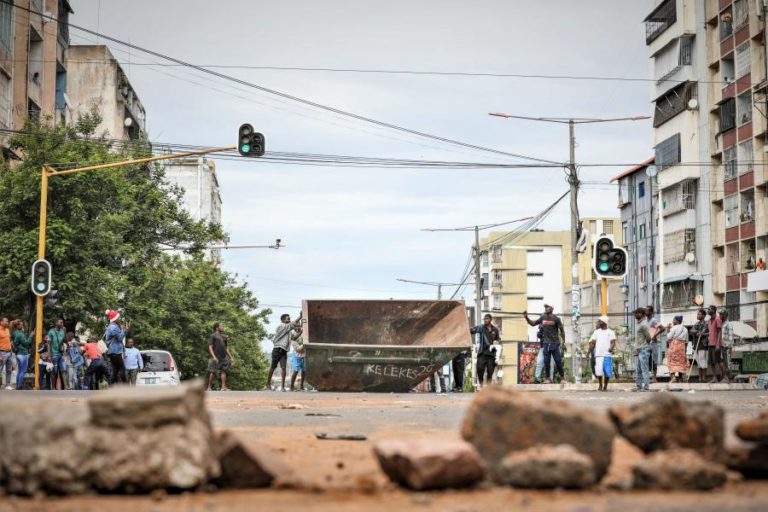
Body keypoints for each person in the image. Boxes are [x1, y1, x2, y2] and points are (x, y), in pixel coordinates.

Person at [523, 305, 566, 384]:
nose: (546, 308)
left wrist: (564, 342)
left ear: (552, 309)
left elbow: (562, 331)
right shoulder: (543, 317)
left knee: (558, 361)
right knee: (546, 362)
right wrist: (526, 317)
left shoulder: (556, 319)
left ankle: (562, 378)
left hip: (555, 343)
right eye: (545, 307)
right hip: (545, 344)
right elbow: (533, 323)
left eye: (548, 307)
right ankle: (548, 378)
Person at [266, 315, 300, 392]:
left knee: (283, 367)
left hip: (284, 351)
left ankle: (282, 387)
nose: (289, 320)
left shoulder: (288, 330)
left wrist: (301, 332)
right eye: (288, 319)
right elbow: (291, 325)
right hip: (277, 349)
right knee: (273, 367)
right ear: (283, 320)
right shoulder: (281, 326)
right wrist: (300, 316)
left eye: (289, 319)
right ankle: (268, 384)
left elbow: (294, 337)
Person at [469, 314, 500, 390]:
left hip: (491, 354)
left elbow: (498, 339)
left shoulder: (495, 330)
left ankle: (489, 387)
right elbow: (473, 330)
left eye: (487, 319)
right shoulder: (481, 327)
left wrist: (497, 341)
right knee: (479, 368)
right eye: (484, 319)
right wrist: (469, 328)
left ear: (490, 319)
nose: (485, 320)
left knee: (490, 371)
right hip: (482, 353)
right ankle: (481, 384)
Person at [589, 315, 616, 392]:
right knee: (599, 371)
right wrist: (589, 353)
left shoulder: (611, 332)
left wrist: (611, 348)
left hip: (607, 355)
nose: (598, 322)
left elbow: (613, 342)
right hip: (598, 355)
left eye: (600, 321)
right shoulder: (596, 332)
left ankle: (605, 387)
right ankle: (600, 385)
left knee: (607, 372)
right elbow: (593, 342)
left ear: (604, 322)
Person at [208, 322, 235, 391]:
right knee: (213, 372)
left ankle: (223, 387)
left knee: (224, 371)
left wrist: (231, 357)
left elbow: (226, 348)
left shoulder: (224, 337)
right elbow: (210, 347)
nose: (223, 327)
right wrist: (214, 357)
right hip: (215, 356)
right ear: (217, 328)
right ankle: (209, 387)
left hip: (223, 357)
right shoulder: (213, 336)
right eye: (221, 326)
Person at [104, 310, 127, 385]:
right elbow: (120, 338)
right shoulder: (113, 327)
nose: (119, 319)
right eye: (118, 318)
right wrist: (124, 330)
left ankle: (111, 386)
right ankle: (126, 387)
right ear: (115, 319)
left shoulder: (112, 326)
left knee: (115, 370)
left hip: (112, 351)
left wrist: (121, 328)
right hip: (115, 351)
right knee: (122, 368)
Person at [645, 306, 665, 384]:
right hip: (647, 343)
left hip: (653, 343)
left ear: (651, 312)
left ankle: (654, 378)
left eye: (647, 311)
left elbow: (662, 328)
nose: (645, 312)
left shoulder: (653, 320)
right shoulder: (646, 320)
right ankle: (649, 377)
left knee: (654, 360)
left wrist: (654, 335)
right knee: (648, 360)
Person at [10, 320, 33, 390]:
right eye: (21, 325)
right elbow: (26, 343)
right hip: (23, 354)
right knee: (23, 371)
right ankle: (19, 385)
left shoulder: (14, 333)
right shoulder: (20, 334)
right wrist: (31, 336)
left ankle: (18, 385)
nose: (22, 326)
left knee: (20, 370)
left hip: (18, 354)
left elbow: (14, 342)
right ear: (17, 326)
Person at [633, 308, 652, 392]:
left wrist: (645, 346)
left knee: (644, 369)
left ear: (642, 314)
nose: (635, 315)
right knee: (639, 370)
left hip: (643, 349)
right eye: (635, 313)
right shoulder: (639, 323)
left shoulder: (644, 324)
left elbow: (648, 337)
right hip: (639, 349)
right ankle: (639, 386)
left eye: (638, 313)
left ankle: (646, 387)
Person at [666, 315, 689, 383]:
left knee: (671, 362)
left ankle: (673, 377)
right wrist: (685, 349)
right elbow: (686, 341)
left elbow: (669, 337)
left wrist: (668, 330)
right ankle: (680, 379)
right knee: (681, 363)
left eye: (674, 320)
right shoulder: (685, 329)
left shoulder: (674, 328)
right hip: (682, 347)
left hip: (674, 346)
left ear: (677, 321)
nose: (673, 321)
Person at [48, 318, 67, 390]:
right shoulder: (51, 332)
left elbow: (65, 341)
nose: (62, 324)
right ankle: (53, 387)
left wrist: (65, 331)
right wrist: (49, 355)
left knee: (63, 370)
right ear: (56, 323)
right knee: (54, 371)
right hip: (54, 355)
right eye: (61, 322)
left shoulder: (62, 331)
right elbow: (49, 344)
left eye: (63, 323)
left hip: (61, 354)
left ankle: (65, 387)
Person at [690, 309, 709, 383]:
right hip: (696, 345)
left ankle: (704, 378)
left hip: (703, 345)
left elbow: (704, 332)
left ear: (703, 315)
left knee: (703, 361)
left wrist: (700, 333)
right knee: (698, 362)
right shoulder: (696, 323)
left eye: (699, 314)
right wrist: (697, 332)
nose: (697, 315)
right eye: (697, 314)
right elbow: (691, 331)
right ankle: (700, 378)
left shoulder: (706, 323)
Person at [707, 305, 724, 383]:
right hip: (710, 344)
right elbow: (710, 332)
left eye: (710, 309)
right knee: (712, 363)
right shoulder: (709, 320)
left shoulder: (717, 319)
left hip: (716, 344)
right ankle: (715, 378)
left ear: (714, 310)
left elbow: (719, 332)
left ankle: (725, 377)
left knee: (718, 361)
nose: (708, 310)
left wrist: (718, 344)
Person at [289, 327, 306, 392]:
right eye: (296, 326)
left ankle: (301, 386)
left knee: (304, 370)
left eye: (299, 325)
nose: (298, 327)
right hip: (297, 355)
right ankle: (291, 386)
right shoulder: (292, 336)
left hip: (304, 354)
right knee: (296, 370)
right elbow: (297, 349)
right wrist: (305, 344)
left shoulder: (303, 333)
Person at [719, 309, 733, 383]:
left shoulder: (728, 324)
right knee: (722, 362)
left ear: (725, 315)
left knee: (727, 362)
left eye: (721, 314)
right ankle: (724, 377)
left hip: (726, 346)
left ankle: (727, 378)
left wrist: (730, 347)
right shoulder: (721, 324)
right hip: (721, 346)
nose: (720, 316)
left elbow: (731, 336)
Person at [0, 317, 12, 389]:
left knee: (9, 370)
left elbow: (9, 341)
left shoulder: (7, 330)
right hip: (2, 352)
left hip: (9, 352)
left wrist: (11, 351)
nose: (7, 323)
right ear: (1, 322)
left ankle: (7, 385)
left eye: (7, 321)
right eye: (6, 321)